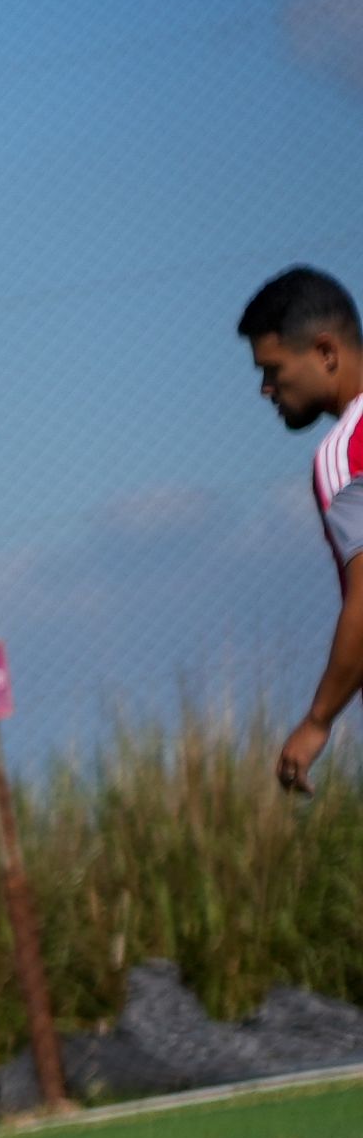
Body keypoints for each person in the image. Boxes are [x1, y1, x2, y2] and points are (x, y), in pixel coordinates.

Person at [238, 266, 363, 794]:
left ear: (326, 352)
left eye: (274, 369)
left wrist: (317, 721)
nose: (266, 389)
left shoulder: (346, 454)